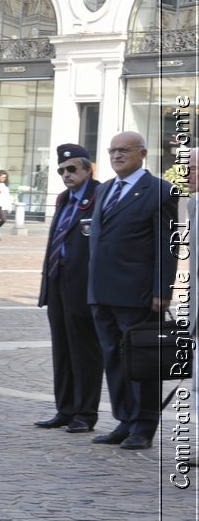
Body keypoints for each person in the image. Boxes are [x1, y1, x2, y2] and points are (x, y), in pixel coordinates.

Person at [87, 131, 179, 453]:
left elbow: (167, 246)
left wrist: (161, 290)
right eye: (112, 150)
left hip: (138, 294)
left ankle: (144, 426)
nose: (116, 155)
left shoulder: (160, 191)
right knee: (113, 359)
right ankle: (125, 419)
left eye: (123, 150)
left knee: (142, 362)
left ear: (142, 153)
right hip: (101, 292)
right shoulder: (105, 190)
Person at [36, 144, 104, 434]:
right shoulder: (65, 199)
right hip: (58, 280)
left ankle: (85, 414)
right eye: (62, 170)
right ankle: (65, 409)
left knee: (84, 351)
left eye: (72, 168)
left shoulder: (100, 195)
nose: (66, 174)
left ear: (88, 170)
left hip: (84, 284)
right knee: (62, 349)